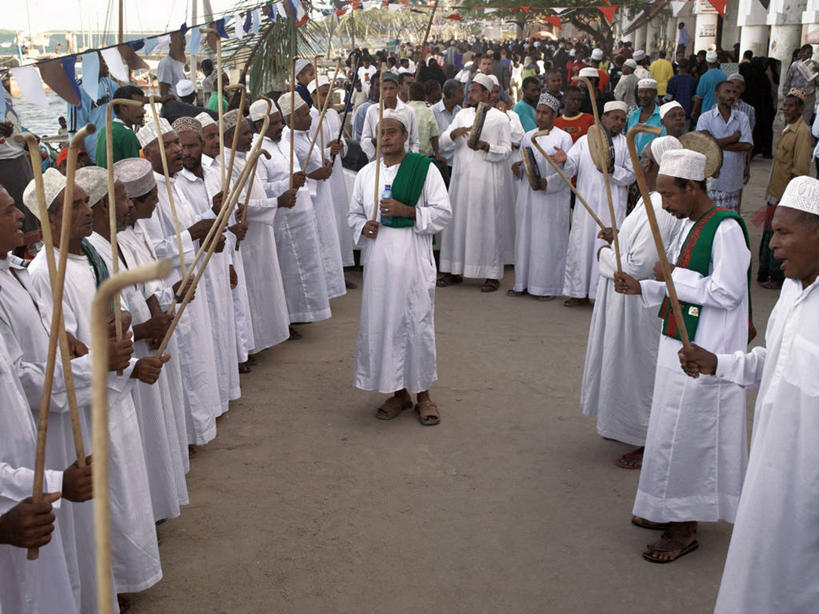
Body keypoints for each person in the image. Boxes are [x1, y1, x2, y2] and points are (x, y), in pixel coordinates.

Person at [677, 176, 819, 613]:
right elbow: (770, 363)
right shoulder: (793, 293)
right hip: (770, 471)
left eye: (783, 232)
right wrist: (719, 362)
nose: (771, 244)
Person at [26, 167, 166, 598]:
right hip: (86, 410)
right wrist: (108, 352)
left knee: (127, 495)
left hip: (115, 392)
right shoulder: (43, 273)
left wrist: (122, 342)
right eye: (76, 206)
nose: (88, 210)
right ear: (48, 220)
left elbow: (107, 327)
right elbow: (71, 351)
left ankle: (127, 579)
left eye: (87, 202)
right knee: (103, 505)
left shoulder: (92, 254)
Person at [613, 148, 754, 564]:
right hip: (678, 341)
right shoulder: (691, 223)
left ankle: (685, 527)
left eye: (670, 196)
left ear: (692, 188)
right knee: (669, 429)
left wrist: (670, 276)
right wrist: (644, 286)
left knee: (691, 435)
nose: (666, 205)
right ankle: (663, 508)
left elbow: (726, 291)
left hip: (707, 349)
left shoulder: (726, 228)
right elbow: (681, 284)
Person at [78, 166, 190, 525]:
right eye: (123, 198)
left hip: (140, 354)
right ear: (103, 206)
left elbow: (142, 291)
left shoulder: (119, 240)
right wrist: (142, 329)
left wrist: (162, 308)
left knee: (155, 440)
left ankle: (158, 508)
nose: (129, 206)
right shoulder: (91, 252)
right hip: (120, 366)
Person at [581, 137, 684, 470]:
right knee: (620, 363)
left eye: (642, 156)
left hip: (642, 303)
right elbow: (631, 243)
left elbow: (638, 265)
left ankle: (646, 438)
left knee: (641, 368)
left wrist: (603, 255)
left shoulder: (664, 209)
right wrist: (617, 237)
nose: (638, 161)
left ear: (655, 164)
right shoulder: (648, 198)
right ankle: (625, 425)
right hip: (620, 298)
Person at [348, 110, 451, 425]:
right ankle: (397, 393)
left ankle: (423, 394)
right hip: (379, 262)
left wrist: (408, 210)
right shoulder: (366, 174)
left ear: (405, 135)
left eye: (392, 132)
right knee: (385, 324)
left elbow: (443, 213)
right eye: (381, 132)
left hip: (413, 258)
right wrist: (362, 227)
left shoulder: (424, 169)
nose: (386, 138)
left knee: (416, 323)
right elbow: (352, 214)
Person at [135, 118, 222, 448]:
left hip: (192, 284)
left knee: (199, 357)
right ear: (149, 152)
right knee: (182, 362)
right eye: (169, 145)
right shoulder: (148, 193)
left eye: (177, 144)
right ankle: (188, 435)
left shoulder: (174, 185)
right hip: (169, 290)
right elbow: (152, 250)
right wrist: (191, 234)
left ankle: (203, 421)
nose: (177, 151)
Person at [172, 116, 242, 415]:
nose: (186, 152)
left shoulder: (215, 175)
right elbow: (189, 229)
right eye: (180, 146)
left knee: (221, 328)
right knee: (202, 338)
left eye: (191, 145)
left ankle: (223, 395)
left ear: (202, 146)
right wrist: (210, 215)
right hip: (192, 270)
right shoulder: (175, 185)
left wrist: (227, 262)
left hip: (216, 263)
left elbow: (222, 225)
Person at [251, 98, 332, 331]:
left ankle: (304, 312)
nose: (281, 126)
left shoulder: (285, 141)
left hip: (302, 215)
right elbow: (261, 189)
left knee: (306, 268)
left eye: (280, 121)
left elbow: (299, 174)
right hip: (283, 220)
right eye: (275, 123)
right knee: (288, 271)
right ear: (260, 126)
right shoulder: (258, 151)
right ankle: (288, 318)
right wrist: (288, 183)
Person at [437, 73, 512, 293]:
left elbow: (506, 150)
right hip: (462, 181)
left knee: (486, 226)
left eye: (475, 90)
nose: (470, 94)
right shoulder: (462, 115)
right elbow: (443, 143)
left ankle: (490, 274)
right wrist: (454, 133)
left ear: (487, 94)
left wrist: (487, 147)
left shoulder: (500, 119)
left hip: (486, 182)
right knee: (458, 224)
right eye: (469, 90)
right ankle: (453, 270)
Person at [562, 101, 635, 306]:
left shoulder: (626, 143)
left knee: (606, 247)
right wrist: (563, 160)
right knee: (582, 244)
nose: (619, 123)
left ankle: (601, 295)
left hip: (611, 207)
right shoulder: (585, 141)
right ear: (603, 118)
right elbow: (571, 165)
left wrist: (612, 172)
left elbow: (631, 175)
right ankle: (578, 292)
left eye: (622, 120)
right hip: (586, 207)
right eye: (615, 118)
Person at [509, 92, 573, 300]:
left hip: (551, 200)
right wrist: (517, 169)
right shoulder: (528, 136)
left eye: (545, 113)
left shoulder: (564, 138)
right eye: (538, 112)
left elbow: (568, 170)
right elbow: (524, 162)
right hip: (529, 198)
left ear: (554, 114)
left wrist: (548, 182)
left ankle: (547, 287)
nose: (540, 116)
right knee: (527, 239)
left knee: (547, 242)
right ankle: (523, 284)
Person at [758, 89, 814, 289]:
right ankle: (766, 272)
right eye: (786, 105)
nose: (786, 109)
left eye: (791, 106)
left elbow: (799, 169)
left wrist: (791, 200)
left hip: (785, 195)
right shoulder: (787, 128)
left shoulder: (802, 132)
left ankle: (776, 275)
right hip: (775, 190)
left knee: (780, 235)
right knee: (769, 234)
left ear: (800, 108)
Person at [309, 80, 357, 277]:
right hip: (319, 178)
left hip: (336, 175)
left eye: (329, 93)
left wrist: (340, 146)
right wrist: (327, 150)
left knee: (339, 219)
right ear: (312, 95)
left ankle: (340, 271)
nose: (327, 98)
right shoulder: (309, 118)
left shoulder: (333, 115)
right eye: (322, 93)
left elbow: (342, 142)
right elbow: (307, 152)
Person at [696, 80, 753, 212]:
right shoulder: (705, 118)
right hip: (712, 183)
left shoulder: (742, 117)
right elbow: (703, 145)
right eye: (727, 91)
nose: (731, 95)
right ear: (717, 95)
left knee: (731, 220)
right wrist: (732, 139)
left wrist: (715, 144)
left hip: (734, 180)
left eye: (734, 92)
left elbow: (747, 145)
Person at [0, 73, 37, 253]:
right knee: (9, 215)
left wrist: (27, 135)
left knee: (28, 211)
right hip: (4, 162)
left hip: (18, 156)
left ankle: (24, 257)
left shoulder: (4, 95)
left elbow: (13, 121)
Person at [67, 53, 118, 163]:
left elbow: (126, 97)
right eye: (103, 61)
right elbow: (75, 129)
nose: (106, 64)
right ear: (92, 64)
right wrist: (84, 157)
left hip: (111, 152)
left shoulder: (107, 83)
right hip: (93, 157)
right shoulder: (78, 91)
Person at [360, 72, 420, 160]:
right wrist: (375, 141)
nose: (388, 92)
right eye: (385, 88)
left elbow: (415, 141)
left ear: (398, 89)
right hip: (378, 162)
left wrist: (410, 160)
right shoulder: (372, 111)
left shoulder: (408, 111)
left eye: (391, 88)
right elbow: (364, 140)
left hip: (402, 162)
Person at [95, 84, 145, 167]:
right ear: (123, 108)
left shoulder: (104, 129)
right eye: (138, 107)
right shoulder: (127, 134)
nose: (143, 111)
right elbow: (135, 172)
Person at [626, 78, 666, 154]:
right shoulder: (633, 115)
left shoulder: (662, 116)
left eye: (648, 92)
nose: (643, 95)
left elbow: (663, 143)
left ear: (655, 93)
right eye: (640, 92)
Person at [782, 44, 818, 123]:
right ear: (802, 53)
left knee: (805, 120)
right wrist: (786, 94)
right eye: (808, 53)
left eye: (811, 53)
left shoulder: (815, 65)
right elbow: (788, 80)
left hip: (809, 96)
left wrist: (817, 72)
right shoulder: (795, 65)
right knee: (792, 118)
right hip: (795, 95)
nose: (810, 55)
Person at [408, 82, 441, 159]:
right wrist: (437, 154)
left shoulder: (405, 110)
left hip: (407, 155)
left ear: (410, 95)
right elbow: (434, 135)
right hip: (424, 157)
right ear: (424, 95)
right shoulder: (428, 111)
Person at [691, 50, 726, 120]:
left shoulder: (704, 77)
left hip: (707, 110)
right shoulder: (723, 75)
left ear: (707, 62)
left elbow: (699, 97)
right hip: (721, 110)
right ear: (716, 62)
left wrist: (693, 111)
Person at [157, 31, 187, 98]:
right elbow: (164, 94)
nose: (183, 48)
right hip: (174, 106)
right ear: (171, 45)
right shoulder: (166, 63)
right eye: (179, 45)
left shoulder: (178, 63)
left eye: (184, 45)